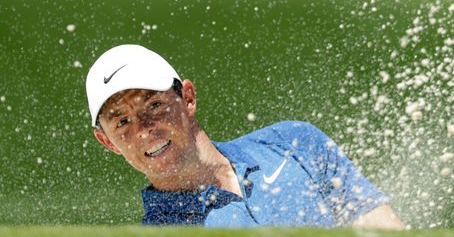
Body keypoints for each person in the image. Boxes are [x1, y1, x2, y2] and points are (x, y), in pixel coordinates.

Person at [86, 44, 404, 228]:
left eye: (154, 105)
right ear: (107, 141)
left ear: (188, 98)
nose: (143, 130)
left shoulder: (295, 143)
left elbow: (380, 226)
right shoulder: (163, 233)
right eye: (122, 122)